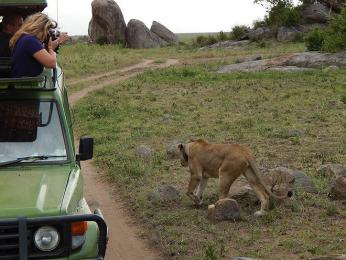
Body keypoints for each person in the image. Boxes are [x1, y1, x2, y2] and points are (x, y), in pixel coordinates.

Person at [10, 13, 68, 78]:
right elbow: (52, 63)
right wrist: (51, 48)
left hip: (22, 82)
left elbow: (42, 55)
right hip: (26, 84)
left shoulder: (24, 38)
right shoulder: (30, 40)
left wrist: (57, 42)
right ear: (41, 28)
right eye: (47, 30)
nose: (47, 34)